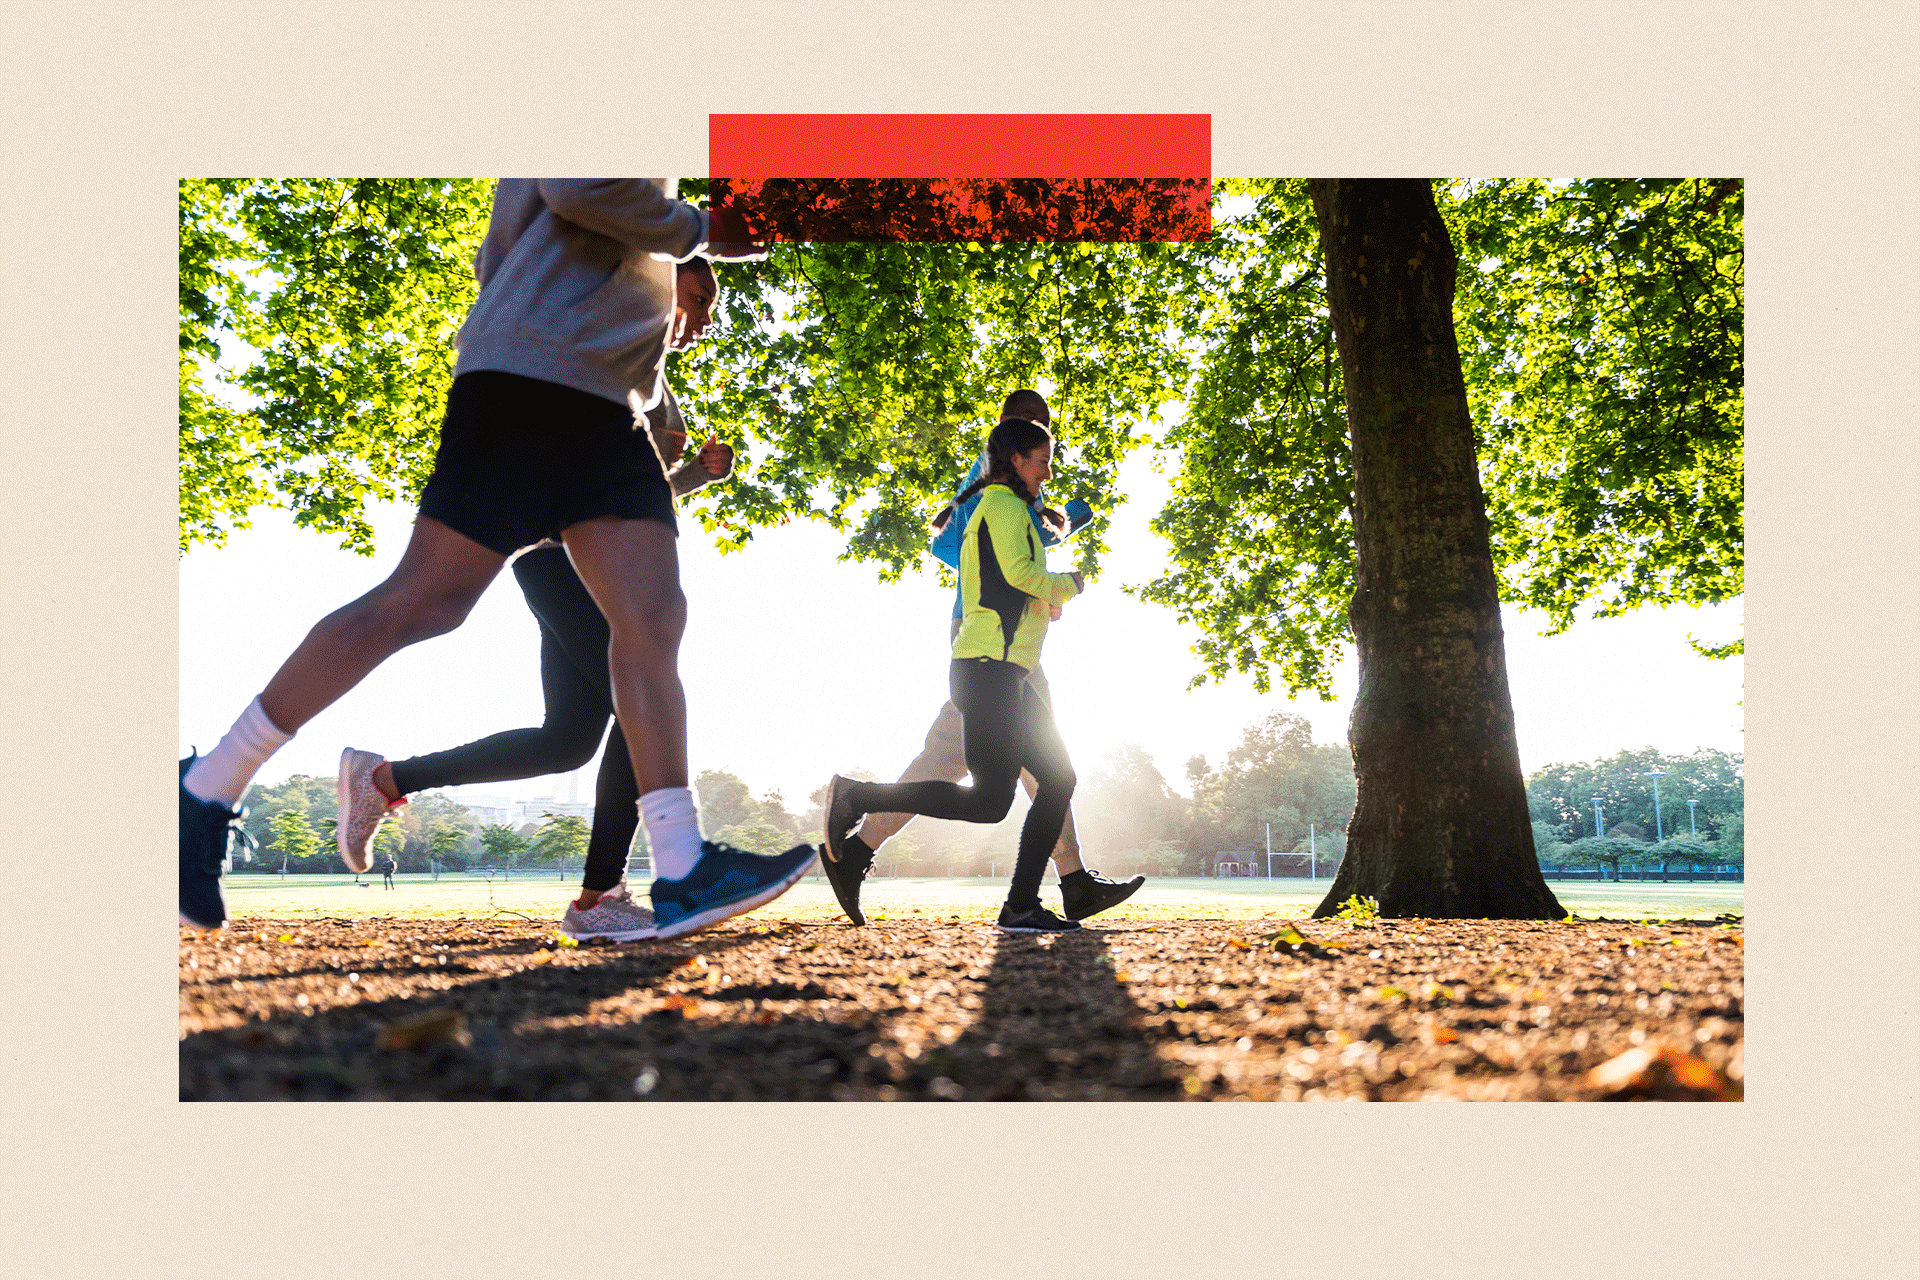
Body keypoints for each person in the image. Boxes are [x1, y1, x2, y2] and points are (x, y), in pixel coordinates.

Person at [180, 179, 815, 937]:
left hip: (607, 400)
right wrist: (701, 229)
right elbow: (578, 185)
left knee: (651, 618)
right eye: (697, 299)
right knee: (425, 601)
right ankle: (210, 783)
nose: (699, 318)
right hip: (539, 378)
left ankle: (681, 866)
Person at [334, 260, 735, 944]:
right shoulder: (612, 346)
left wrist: (696, 472)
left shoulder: (657, 389)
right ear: (661, 282)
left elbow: (634, 498)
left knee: (569, 739)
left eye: (708, 312)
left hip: (576, 557)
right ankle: (598, 897)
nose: (702, 322)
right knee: (637, 698)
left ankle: (386, 778)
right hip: (555, 551)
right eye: (697, 300)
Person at [820, 392, 1145, 927]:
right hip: (987, 640)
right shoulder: (993, 487)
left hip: (1007, 642)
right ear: (1011, 440)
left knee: (1007, 763)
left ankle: (1054, 887)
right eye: (1033, 436)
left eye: (1044, 432)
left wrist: (1042, 568)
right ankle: (1063, 884)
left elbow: (1015, 558)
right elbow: (953, 548)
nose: (1045, 453)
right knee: (1011, 772)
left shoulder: (1016, 496)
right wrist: (1042, 578)